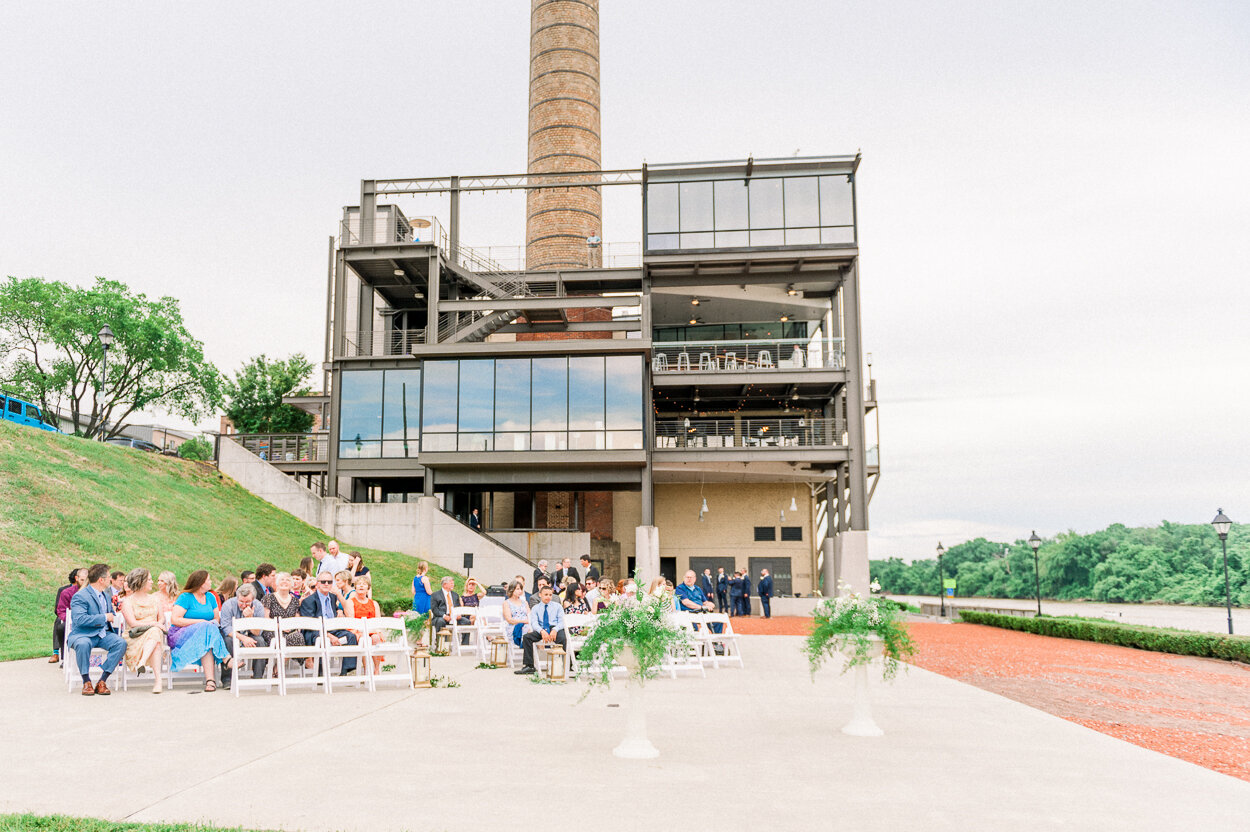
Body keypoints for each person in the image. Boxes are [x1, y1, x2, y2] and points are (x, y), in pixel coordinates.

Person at [67, 563, 128, 696]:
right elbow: (79, 620)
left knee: (121, 643)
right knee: (83, 644)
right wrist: (104, 617)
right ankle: (86, 681)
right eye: (108, 577)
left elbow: (111, 614)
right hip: (83, 634)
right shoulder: (80, 596)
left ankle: (102, 680)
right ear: (101, 580)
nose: (109, 580)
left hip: (103, 634)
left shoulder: (106, 595)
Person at [169, 570, 232, 692]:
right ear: (201, 582)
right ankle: (227, 659)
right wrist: (201, 622)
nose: (211, 582)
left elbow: (216, 618)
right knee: (206, 628)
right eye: (208, 580)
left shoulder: (210, 597)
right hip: (181, 634)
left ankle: (210, 681)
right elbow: (175, 620)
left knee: (206, 635)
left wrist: (207, 624)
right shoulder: (185, 597)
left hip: (206, 634)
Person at [119, 568, 168, 693]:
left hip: (153, 635)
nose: (152, 582)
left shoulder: (155, 599)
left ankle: (143, 663)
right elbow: (133, 623)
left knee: (155, 634)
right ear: (141, 582)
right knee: (156, 633)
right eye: (150, 579)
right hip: (135, 636)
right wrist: (154, 624)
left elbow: (161, 618)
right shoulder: (127, 602)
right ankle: (158, 681)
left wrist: (157, 624)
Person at [299, 572, 357, 676]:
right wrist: (328, 636)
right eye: (323, 582)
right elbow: (311, 625)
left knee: (350, 637)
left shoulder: (333, 597)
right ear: (317, 584)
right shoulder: (308, 601)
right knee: (323, 640)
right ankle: (321, 672)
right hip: (315, 632)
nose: (326, 584)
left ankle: (345, 672)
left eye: (329, 582)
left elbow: (343, 612)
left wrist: (339, 610)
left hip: (333, 629)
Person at [219, 584, 267, 689]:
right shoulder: (228, 605)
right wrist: (243, 638)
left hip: (251, 634)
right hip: (233, 635)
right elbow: (226, 628)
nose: (244, 605)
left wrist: (250, 618)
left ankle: (258, 677)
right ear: (237, 598)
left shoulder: (258, 606)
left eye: (247, 602)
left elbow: (257, 632)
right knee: (228, 641)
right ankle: (227, 679)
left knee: (260, 641)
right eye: (241, 602)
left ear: (253, 599)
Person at [515, 585, 565, 675]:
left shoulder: (558, 606)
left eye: (550, 595)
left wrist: (555, 629)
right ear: (540, 595)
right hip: (541, 628)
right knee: (527, 637)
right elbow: (534, 623)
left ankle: (565, 664)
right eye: (546, 594)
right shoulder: (535, 608)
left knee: (563, 638)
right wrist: (541, 631)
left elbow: (562, 622)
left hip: (554, 628)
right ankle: (529, 665)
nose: (548, 597)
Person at [344, 577, 384, 675]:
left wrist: (376, 631)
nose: (361, 585)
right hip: (357, 630)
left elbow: (378, 621)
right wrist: (362, 631)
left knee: (376, 638)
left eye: (364, 584)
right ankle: (367, 669)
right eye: (359, 584)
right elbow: (351, 621)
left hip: (372, 629)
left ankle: (376, 669)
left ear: (368, 588)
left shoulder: (374, 603)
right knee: (365, 639)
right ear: (355, 587)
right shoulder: (350, 602)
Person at [262, 572, 305, 653]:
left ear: (291, 585)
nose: (285, 581)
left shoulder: (295, 601)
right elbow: (265, 619)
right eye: (282, 579)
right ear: (277, 583)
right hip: (273, 630)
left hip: (290, 630)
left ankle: (281, 664)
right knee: (279, 639)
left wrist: (291, 627)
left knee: (298, 637)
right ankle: (279, 664)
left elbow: (297, 619)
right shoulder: (268, 598)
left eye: (288, 580)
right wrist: (280, 627)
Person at [53, 568, 87, 663]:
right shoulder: (66, 592)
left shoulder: (92, 593)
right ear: (77, 578)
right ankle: (64, 657)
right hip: (71, 620)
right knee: (61, 627)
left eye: (86, 580)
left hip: (88, 621)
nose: (84, 583)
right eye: (82, 580)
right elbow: (61, 610)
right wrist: (69, 620)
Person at [430, 576, 467, 642]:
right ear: (445, 584)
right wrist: (444, 616)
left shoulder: (455, 595)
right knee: (440, 621)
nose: (453, 585)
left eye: (453, 583)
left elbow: (458, 607)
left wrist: (459, 614)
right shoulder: (435, 595)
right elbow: (434, 609)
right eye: (451, 583)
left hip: (454, 617)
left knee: (466, 621)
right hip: (441, 617)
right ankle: (441, 644)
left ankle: (464, 645)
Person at [501, 580, 530, 648]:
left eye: (521, 589)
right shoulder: (506, 603)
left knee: (534, 629)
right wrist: (524, 622)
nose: (520, 591)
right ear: (512, 590)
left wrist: (527, 622)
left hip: (526, 625)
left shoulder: (525, 602)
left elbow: (529, 615)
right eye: (518, 589)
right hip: (513, 626)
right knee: (529, 630)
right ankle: (527, 649)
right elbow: (509, 620)